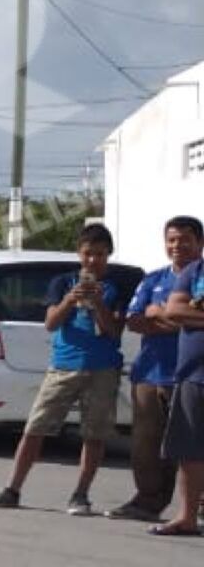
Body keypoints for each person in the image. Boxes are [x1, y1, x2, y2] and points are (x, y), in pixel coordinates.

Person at [0, 223, 125, 515]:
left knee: (94, 434)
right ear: (79, 253)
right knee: (35, 428)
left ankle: (81, 495)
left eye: (99, 254)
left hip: (102, 368)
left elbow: (113, 330)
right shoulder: (62, 282)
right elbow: (50, 323)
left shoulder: (116, 286)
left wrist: (97, 303)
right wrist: (70, 299)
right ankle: (12, 489)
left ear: (108, 254)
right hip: (63, 365)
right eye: (88, 253)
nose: (93, 260)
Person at [111, 216, 201, 522]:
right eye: (171, 239)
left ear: (199, 243)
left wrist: (160, 315)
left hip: (191, 376)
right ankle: (148, 502)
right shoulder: (153, 279)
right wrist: (178, 319)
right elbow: (135, 320)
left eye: (185, 239)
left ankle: (195, 506)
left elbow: (171, 317)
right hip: (150, 374)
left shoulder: (200, 277)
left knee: (193, 445)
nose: (177, 245)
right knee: (145, 445)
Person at [151, 229, 204, 538]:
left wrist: (195, 311)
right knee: (190, 451)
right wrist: (188, 310)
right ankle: (187, 517)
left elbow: (184, 312)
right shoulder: (194, 271)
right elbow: (174, 309)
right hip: (193, 375)